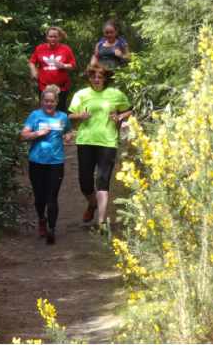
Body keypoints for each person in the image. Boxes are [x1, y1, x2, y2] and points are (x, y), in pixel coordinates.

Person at [68, 63, 132, 229]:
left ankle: (102, 221)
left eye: (100, 77)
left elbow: (129, 110)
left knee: (102, 180)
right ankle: (92, 203)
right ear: (89, 78)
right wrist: (80, 115)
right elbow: (70, 115)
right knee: (85, 182)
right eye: (93, 76)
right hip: (85, 141)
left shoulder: (115, 94)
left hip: (108, 141)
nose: (96, 79)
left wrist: (119, 116)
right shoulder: (81, 94)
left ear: (105, 78)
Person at [20, 85, 73, 244]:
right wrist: (38, 133)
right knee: (39, 197)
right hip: (36, 162)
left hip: (56, 162)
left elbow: (68, 131)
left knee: (52, 197)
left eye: (52, 101)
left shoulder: (63, 117)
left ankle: (52, 229)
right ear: (42, 101)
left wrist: (68, 136)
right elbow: (23, 135)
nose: (49, 104)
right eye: (46, 101)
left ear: (56, 102)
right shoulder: (35, 116)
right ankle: (42, 220)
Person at [29, 26, 77, 113]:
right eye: (50, 36)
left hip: (61, 87)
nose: (53, 39)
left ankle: (60, 126)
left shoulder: (66, 49)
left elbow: (73, 65)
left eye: (55, 37)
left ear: (60, 37)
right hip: (44, 86)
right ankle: (45, 126)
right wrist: (33, 71)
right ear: (47, 37)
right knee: (45, 110)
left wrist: (63, 65)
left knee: (60, 110)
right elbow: (32, 62)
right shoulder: (40, 48)